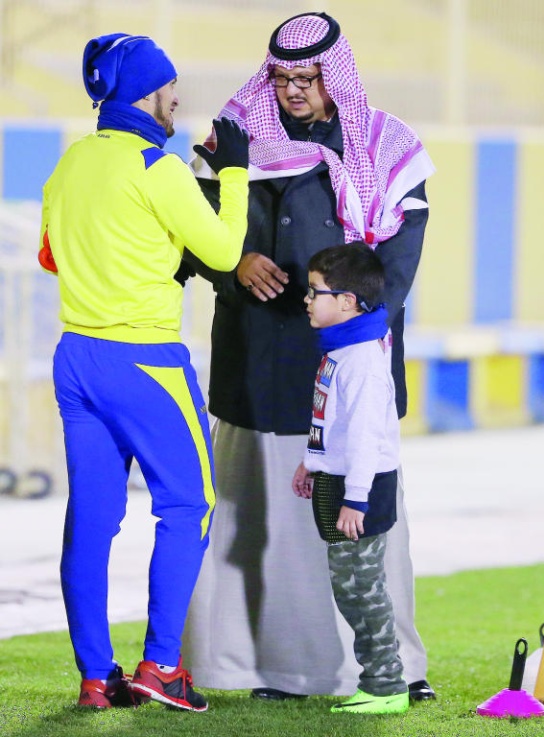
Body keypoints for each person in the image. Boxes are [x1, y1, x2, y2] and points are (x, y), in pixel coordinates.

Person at [181, 12, 436, 701]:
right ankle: (259, 666)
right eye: (283, 78)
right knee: (259, 520)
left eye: (308, 78)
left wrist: (347, 323)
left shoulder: (386, 146)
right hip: (258, 359)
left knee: (361, 517)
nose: (294, 91)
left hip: (348, 366)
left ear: (336, 76)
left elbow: (399, 263)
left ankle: (384, 667)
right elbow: (188, 231)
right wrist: (233, 262)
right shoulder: (232, 138)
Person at [40, 33, 249, 711]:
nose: (177, 98)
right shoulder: (158, 168)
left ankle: (97, 676)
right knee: (190, 504)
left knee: (91, 522)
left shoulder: (70, 163)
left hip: (76, 358)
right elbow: (221, 248)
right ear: (147, 94)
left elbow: (51, 257)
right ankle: (161, 666)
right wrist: (234, 175)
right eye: (170, 88)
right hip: (145, 359)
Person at [291, 242, 409, 714]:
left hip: (361, 487)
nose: (306, 299)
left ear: (346, 302)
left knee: (362, 588)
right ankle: (380, 681)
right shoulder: (341, 349)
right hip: (339, 480)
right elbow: (331, 422)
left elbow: (363, 436)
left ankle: (386, 686)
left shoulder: (361, 359)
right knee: (350, 586)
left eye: (315, 291)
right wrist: (310, 462)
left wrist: (355, 498)